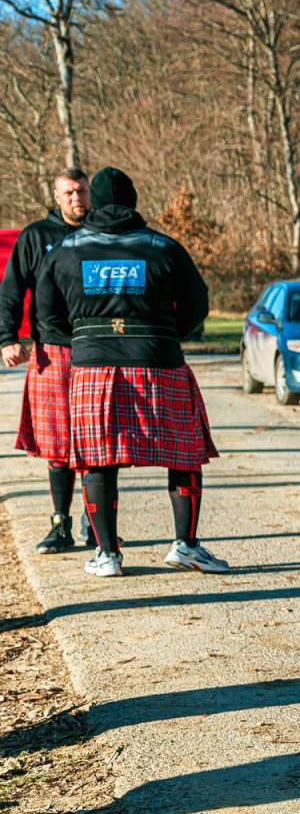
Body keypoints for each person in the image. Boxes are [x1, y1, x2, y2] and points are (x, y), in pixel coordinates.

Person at [34, 167, 224, 578]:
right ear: (134, 201)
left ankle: (107, 554)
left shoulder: (65, 251)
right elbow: (198, 304)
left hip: (93, 367)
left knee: (97, 460)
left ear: (95, 202)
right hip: (159, 360)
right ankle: (187, 546)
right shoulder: (164, 247)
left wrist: (83, 340)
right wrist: (167, 334)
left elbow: (46, 316)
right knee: (184, 453)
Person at [0, 168, 96, 553]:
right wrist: (7, 338)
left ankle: (97, 524)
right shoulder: (36, 236)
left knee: (96, 440)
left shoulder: (101, 233)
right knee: (57, 444)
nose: (77, 198)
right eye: (69, 192)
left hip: (98, 348)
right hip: (52, 350)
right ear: (57, 197)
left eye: (82, 191)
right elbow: (11, 290)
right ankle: (60, 525)